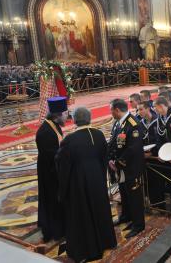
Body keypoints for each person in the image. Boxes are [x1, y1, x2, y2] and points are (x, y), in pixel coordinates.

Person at [56, 107, 117, 262]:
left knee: (84, 214)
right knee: (99, 209)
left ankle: (90, 248)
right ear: (89, 118)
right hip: (97, 179)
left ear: (75, 120)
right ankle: (106, 241)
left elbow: (62, 165)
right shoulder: (98, 134)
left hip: (78, 183)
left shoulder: (69, 140)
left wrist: (62, 190)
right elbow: (105, 157)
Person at [108, 99, 145, 238]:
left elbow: (133, 149)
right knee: (124, 193)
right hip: (121, 167)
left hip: (131, 167)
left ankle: (138, 225)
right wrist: (110, 158)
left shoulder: (133, 124)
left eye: (111, 110)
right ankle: (126, 216)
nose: (110, 113)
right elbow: (114, 142)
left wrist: (118, 163)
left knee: (135, 196)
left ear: (117, 110)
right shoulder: (119, 122)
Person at [36, 96, 68, 242]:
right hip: (49, 174)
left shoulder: (53, 126)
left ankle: (61, 226)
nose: (67, 116)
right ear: (57, 115)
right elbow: (52, 156)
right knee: (52, 201)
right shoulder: (45, 132)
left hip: (55, 171)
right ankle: (54, 230)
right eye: (66, 113)